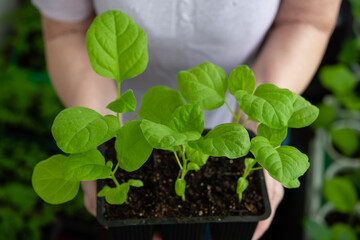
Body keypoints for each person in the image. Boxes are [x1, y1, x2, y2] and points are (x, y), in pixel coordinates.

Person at [32, 0, 341, 239]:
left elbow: (307, 17)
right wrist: (99, 142)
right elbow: (66, 29)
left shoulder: (249, 121)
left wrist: (256, 126)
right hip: (125, 121)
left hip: (243, 120)